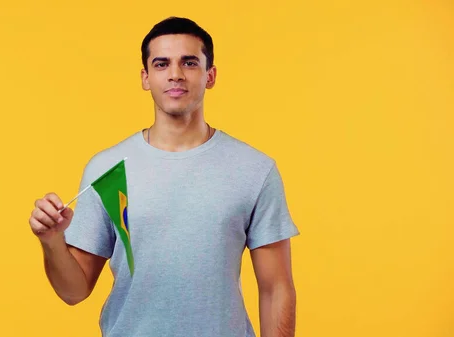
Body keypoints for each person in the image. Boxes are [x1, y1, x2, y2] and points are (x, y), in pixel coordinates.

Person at [28, 16, 300, 337]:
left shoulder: (253, 169)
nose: (175, 75)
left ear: (210, 75)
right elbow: (74, 292)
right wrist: (52, 241)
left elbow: (276, 289)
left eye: (189, 62)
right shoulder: (109, 169)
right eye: (161, 64)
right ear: (145, 77)